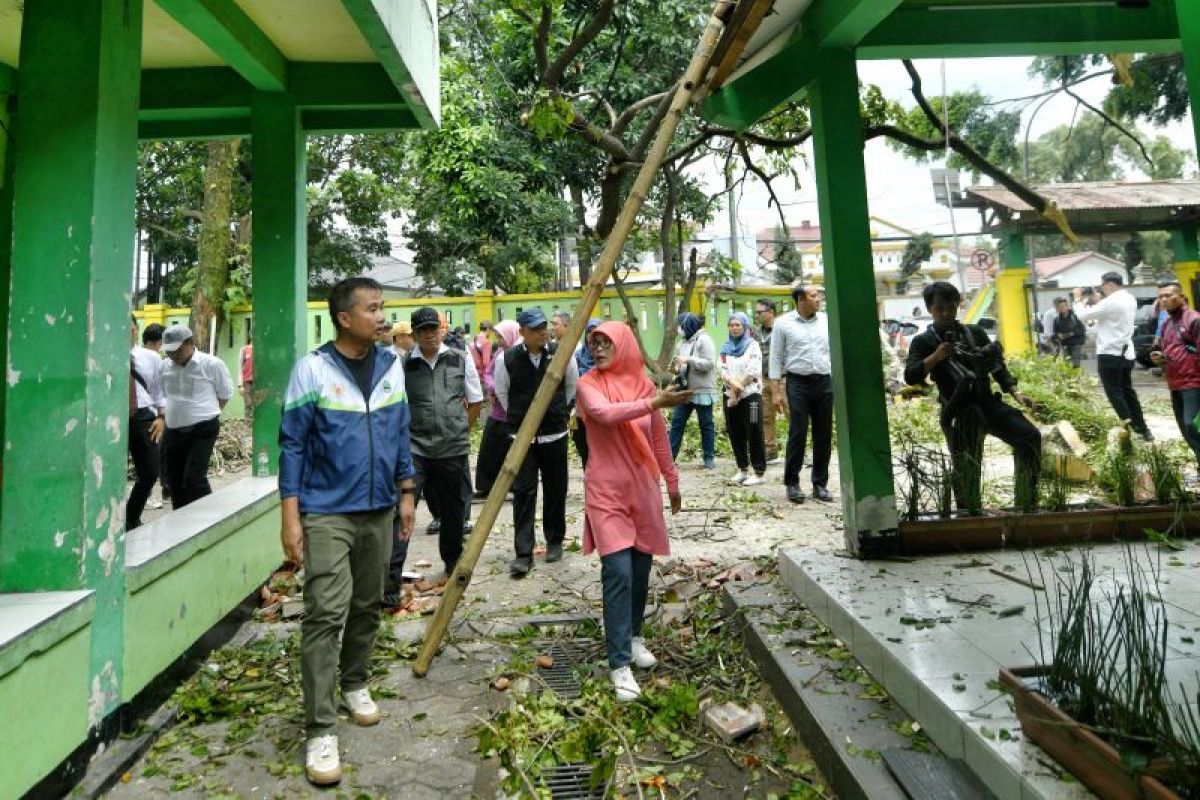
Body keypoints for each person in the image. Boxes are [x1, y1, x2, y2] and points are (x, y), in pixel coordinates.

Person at [278, 277, 417, 786]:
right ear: (344, 318)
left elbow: (400, 431)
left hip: (379, 506)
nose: (383, 318)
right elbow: (291, 447)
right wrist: (290, 516)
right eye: (374, 309)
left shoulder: (389, 366)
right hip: (326, 510)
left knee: (367, 602)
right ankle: (319, 727)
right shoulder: (312, 371)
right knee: (325, 611)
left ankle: (354, 681)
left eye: (383, 308)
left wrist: (406, 493)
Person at [575, 321, 689, 701]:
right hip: (606, 491)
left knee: (640, 570)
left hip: (642, 489)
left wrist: (671, 482)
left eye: (606, 343)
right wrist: (655, 402)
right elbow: (606, 415)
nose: (599, 349)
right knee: (618, 571)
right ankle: (619, 663)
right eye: (595, 343)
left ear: (623, 345)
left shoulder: (642, 385)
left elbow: (658, 439)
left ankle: (634, 636)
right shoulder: (588, 384)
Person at [905, 282, 1041, 512]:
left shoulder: (975, 333)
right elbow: (911, 375)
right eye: (940, 308)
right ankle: (970, 517)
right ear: (930, 309)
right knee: (967, 466)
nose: (946, 313)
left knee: (1029, 436)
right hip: (959, 409)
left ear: (958, 305)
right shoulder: (924, 341)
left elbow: (997, 366)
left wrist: (1016, 393)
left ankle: (1026, 507)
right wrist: (937, 356)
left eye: (951, 307)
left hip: (988, 403)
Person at [386, 306, 484, 601]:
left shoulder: (460, 359)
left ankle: (453, 568)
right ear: (413, 334)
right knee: (403, 512)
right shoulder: (402, 365)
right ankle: (390, 583)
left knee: (454, 513)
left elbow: (476, 401)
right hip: (415, 449)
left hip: (452, 448)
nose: (429, 335)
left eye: (433, 329)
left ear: (441, 330)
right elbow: (394, 407)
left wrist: (459, 431)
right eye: (423, 330)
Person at [494, 307, 578, 576]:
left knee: (556, 489)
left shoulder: (561, 353)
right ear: (522, 333)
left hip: (554, 433)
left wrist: (557, 413)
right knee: (523, 492)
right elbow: (503, 394)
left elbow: (571, 388)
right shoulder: (506, 359)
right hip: (521, 438)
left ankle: (555, 541)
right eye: (535, 328)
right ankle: (523, 552)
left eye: (544, 327)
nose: (543, 332)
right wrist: (522, 420)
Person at [768, 285, 834, 504]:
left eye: (819, 296)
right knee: (798, 432)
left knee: (823, 434)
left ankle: (820, 484)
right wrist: (776, 392)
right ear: (800, 299)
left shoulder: (826, 320)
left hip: (824, 382)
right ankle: (792, 483)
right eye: (814, 296)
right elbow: (775, 358)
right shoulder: (783, 323)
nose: (819, 300)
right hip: (797, 383)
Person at [160, 324, 234, 509]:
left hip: (203, 428)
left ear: (190, 343)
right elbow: (162, 395)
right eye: (169, 352)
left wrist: (204, 413)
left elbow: (224, 394)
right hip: (174, 429)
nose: (173, 356)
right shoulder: (164, 367)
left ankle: (207, 520)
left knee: (193, 478)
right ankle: (181, 521)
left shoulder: (211, 364)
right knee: (174, 480)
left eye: (177, 350)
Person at [1074, 272, 1152, 441]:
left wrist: (1077, 299)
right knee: (1127, 392)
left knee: (1115, 394)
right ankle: (1143, 429)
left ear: (1108, 284)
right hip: (1126, 353)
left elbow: (1082, 316)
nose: (1102, 290)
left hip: (1110, 354)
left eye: (1103, 286)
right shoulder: (1129, 298)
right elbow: (1104, 320)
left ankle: (1130, 429)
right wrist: (1098, 301)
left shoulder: (1110, 302)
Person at [1150, 281, 1200, 467]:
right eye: (1160, 296)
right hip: (1175, 383)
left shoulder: (1194, 319)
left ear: (1181, 297)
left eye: (1168, 295)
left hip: (1194, 383)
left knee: (1193, 426)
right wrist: (1161, 358)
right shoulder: (1166, 324)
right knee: (1185, 430)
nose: (1164, 299)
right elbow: (1175, 352)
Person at [719, 312, 766, 486]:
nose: (734, 328)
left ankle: (759, 472)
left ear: (745, 326)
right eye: (731, 325)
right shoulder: (725, 348)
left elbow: (752, 370)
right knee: (735, 431)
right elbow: (722, 369)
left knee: (754, 429)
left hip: (751, 396)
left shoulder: (753, 346)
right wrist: (732, 385)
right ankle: (742, 469)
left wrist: (736, 390)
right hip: (729, 396)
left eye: (738, 325)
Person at [127, 319, 166, 530]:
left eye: (131, 329)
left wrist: (162, 418)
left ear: (136, 330)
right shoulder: (100, 356)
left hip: (143, 417)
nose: (127, 332)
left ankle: (130, 517)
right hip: (111, 416)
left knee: (150, 471)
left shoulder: (151, 357)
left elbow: (161, 390)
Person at [475, 320, 520, 497]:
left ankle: (512, 487)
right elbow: (487, 373)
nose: (500, 340)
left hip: (513, 411)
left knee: (513, 452)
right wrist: (494, 388)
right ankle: (486, 486)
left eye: (502, 336)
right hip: (497, 411)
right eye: (498, 336)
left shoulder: (520, 355)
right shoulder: (500, 353)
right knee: (489, 449)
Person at [667, 312, 718, 469]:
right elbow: (682, 365)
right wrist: (676, 368)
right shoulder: (682, 342)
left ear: (688, 326)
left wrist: (688, 360)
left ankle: (708, 458)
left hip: (702, 390)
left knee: (705, 424)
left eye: (681, 326)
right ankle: (669, 458)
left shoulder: (704, 340)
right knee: (677, 422)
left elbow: (709, 364)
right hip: (685, 389)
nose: (679, 329)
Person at [753, 299, 786, 463]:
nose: (757, 315)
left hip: (782, 380)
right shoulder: (757, 332)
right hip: (764, 379)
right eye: (756, 312)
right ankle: (770, 449)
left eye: (760, 312)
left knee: (792, 414)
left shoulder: (782, 330)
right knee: (766, 416)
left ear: (771, 312)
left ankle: (801, 452)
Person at [572, 318, 602, 469]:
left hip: (602, 413)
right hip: (580, 412)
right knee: (584, 451)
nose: (592, 335)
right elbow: (571, 383)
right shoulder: (577, 356)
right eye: (589, 331)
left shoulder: (607, 356)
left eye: (596, 331)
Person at [1051, 297, 1086, 368]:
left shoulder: (1075, 316)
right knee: (1066, 362)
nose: (1062, 308)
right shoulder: (1057, 319)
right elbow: (1055, 332)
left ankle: (1077, 376)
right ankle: (1070, 377)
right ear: (1058, 308)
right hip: (1065, 343)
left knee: (1076, 362)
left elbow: (1082, 329)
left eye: (1064, 306)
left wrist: (1071, 334)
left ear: (1067, 306)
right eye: (1060, 307)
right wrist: (1058, 336)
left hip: (1076, 342)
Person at [239, 334, 255, 424]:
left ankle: (256, 425)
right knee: (248, 403)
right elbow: (240, 367)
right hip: (247, 381)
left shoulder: (261, 350)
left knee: (258, 405)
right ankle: (247, 425)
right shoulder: (244, 349)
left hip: (259, 382)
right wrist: (240, 385)